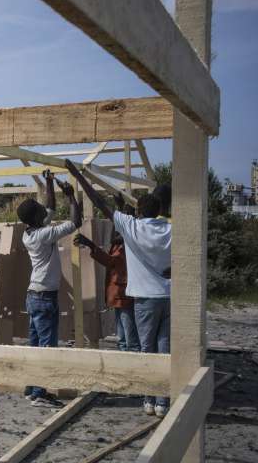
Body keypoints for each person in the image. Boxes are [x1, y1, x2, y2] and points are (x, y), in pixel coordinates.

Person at [65, 160, 171, 417]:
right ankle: (163, 401)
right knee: (164, 348)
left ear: (139, 211)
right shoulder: (170, 229)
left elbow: (101, 204)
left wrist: (78, 175)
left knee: (146, 350)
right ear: (160, 210)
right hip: (169, 296)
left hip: (145, 298)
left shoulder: (132, 228)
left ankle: (149, 399)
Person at [16, 169, 82, 407]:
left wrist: (49, 182)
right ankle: (41, 393)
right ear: (36, 217)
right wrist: (72, 196)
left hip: (35, 295)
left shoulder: (32, 232)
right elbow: (76, 222)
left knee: (35, 346)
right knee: (47, 346)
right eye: (39, 208)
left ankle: (32, 389)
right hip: (43, 297)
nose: (45, 209)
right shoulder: (43, 235)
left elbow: (49, 208)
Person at [73, 229, 140, 352]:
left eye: (117, 231)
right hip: (119, 297)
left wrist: (90, 245)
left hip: (124, 296)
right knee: (123, 338)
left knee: (130, 339)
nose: (113, 234)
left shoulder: (127, 247)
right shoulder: (119, 245)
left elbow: (110, 261)